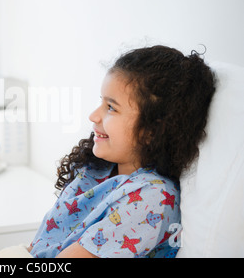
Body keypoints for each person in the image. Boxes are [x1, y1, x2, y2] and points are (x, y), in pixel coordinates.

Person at [27, 45, 217, 258]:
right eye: (101, 102)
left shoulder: (152, 198)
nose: (93, 116)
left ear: (152, 131)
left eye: (111, 107)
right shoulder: (95, 170)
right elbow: (43, 244)